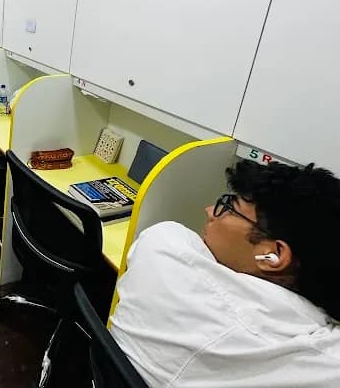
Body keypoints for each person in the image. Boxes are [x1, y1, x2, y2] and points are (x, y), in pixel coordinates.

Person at [109, 160, 340, 387]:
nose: (210, 211)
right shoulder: (320, 363)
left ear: (274, 255)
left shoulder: (162, 247)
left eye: (228, 208)